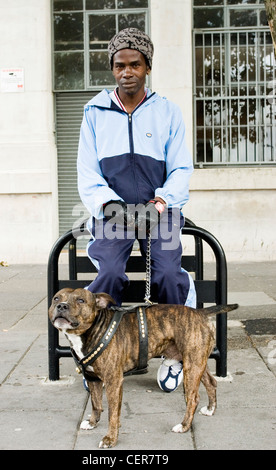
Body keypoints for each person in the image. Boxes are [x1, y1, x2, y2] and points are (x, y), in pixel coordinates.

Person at [77, 28, 196, 392]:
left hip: (160, 211)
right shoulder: (94, 112)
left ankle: (175, 354)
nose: (126, 72)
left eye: (134, 65)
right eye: (119, 65)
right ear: (112, 69)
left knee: (167, 275)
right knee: (110, 272)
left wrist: (161, 202)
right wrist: (109, 205)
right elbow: (87, 172)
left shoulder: (167, 112)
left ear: (147, 67)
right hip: (112, 213)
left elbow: (180, 168)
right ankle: (101, 352)